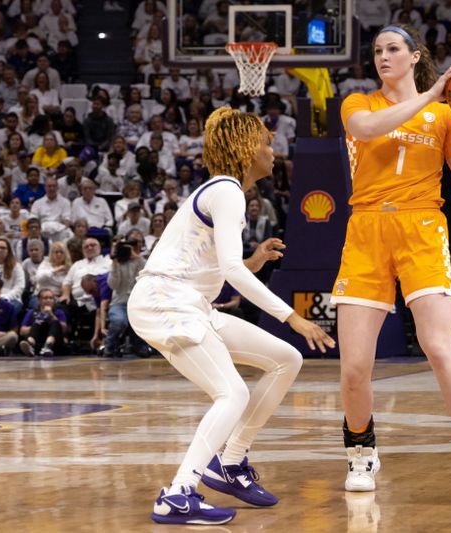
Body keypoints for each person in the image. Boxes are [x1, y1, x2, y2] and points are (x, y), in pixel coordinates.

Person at [127, 106, 335, 525]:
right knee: (233, 393)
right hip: (164, 300)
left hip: (191, 303)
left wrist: (251, 262)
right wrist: (291, 317)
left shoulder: (226, 192)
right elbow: (229, 271)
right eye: (265, 142)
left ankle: (230, 462)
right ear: (244, 149)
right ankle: (178, 493)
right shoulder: (227, 190)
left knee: (286, 359)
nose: (272, 151)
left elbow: (219, 265)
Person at [330, 23, 451, 504]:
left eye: (393, 50)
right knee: (354, 368)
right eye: (377, 51)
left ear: (414, 56)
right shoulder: (359, 105)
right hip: (366, 230)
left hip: (423, 230)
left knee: (438, 348)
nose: (383, 57)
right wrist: (431, 92)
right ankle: (360, 450)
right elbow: (366, 131)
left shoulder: (445, 118)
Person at [18, 288, 67, 356]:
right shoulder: (32, 312)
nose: (48, 300)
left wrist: (51, 315)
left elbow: (64, 329)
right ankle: (30, 344)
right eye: (45, 298)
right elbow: (22, 331)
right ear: (39, 300)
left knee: (55, 322)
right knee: (37, 322)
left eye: (51, 298)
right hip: (38, 341)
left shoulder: (59, 312)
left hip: (55, 343)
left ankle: (48, 346)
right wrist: (36, 324)